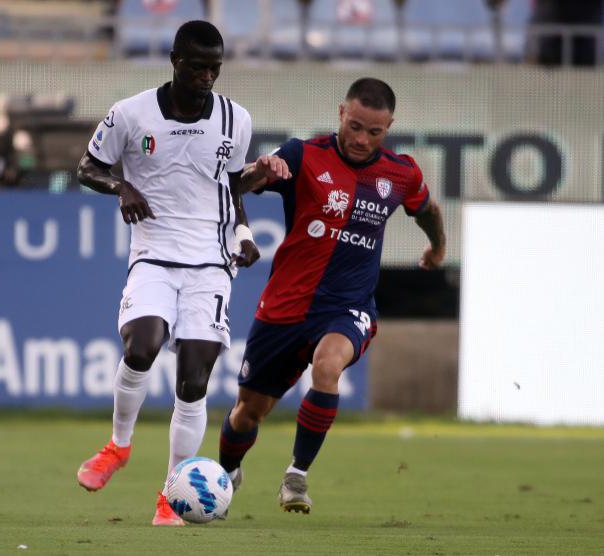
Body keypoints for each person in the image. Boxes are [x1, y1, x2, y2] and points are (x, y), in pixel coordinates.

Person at [75, 20, 282, 526]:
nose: (207, 77)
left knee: (194, 381)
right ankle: (118, 446)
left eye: (215, 68)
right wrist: (122, 188)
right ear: (174, 60)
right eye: (197, 66)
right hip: (153, 254)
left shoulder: (236, 119)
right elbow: (86, 168)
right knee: (141, 347)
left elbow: (229, 191)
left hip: (211, 264)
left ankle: (169, 495)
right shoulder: (130, 114)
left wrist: (245, 237)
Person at [218, 77, 446, 514]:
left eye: (374, 132)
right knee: (248, 411)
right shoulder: (303, 155)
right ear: (341, 112)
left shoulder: (401, 173)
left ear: (389, 127)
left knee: (327, 366)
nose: (361, 139)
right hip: (286, 305)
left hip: (349, 305)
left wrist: (438, 247)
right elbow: (237, 187)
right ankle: (227, 472)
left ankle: (296, 477)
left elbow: (427, 209)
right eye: (355, 126)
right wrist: (260, 171)